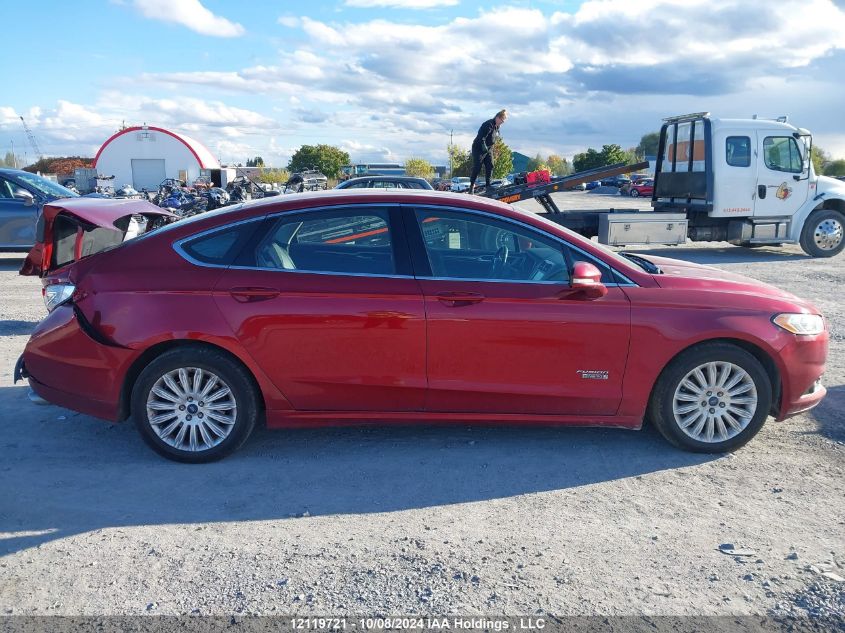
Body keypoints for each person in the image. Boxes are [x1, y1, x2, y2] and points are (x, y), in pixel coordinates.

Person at [469, 109, 508, 194]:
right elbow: (481, 137)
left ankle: (488, 186)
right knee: (477, 166)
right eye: (502, 120)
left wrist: (490, 149)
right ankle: (471, 186)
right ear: (498, 117)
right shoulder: (488, 124)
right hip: (478, 147)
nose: (503, 122)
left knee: (490, 165)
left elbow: (493, 139)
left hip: (488, 148)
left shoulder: (497, 127)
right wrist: (484, 147)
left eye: (504, 121)